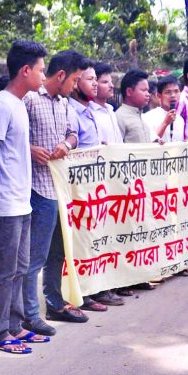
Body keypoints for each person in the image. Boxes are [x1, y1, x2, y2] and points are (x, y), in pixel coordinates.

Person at [0, 40, 50, 353]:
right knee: (3, 269)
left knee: (20, 267)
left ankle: (15, 325)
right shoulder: (0, 106)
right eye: (40, 70)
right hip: (5, 204)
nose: (43, 75)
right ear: (25, 70)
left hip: (21, 200)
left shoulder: (19, 104)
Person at [23, 49, 85, 324]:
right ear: (61, 75)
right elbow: (8, 139)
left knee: (59, 250)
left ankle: (54, 302)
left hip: (59, 187)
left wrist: (67, 144)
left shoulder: (64, 104)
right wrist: (29, 149)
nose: (75, 86)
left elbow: (74, 134)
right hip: (37, 188)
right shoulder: (29, 99)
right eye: (74, 80)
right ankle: (29, 314)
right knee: (35, 256)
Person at [68, 60, 124, 309]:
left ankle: (100, 287)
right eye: (90, 79)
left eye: (95, 79)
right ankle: (85, 293)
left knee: (99, 239)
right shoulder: (71, 111)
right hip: (80, 189)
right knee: (83, 242)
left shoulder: (94, 110)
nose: (94, 84)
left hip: (100, 185)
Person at [114, 68, 151, 143]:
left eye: (148, 90)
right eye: (143, 90)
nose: (148, 94)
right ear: (129, 92)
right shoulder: (119, 117)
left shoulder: (142, 116)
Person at [89, 62, 123, 145]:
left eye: (111, 82)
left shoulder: (110, 110)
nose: (111, 86)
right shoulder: (89, 112)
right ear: (94, 84)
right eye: (105, 82)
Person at [142, 75, 183, 143]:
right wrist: (165, 123)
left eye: (176, 91)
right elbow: (149, 144)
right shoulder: (148, 117)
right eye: (168, 92)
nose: (173, 95)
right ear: (159, 95)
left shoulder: (180, 120)